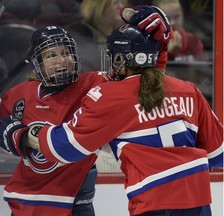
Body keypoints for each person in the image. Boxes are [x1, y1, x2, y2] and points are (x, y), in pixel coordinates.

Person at [28, 7, 223, 216]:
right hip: (199, 204)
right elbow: (218, 153)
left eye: (113, 55)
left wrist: (29, 134)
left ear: (121, 59)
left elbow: (66, 147)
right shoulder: (188, 90)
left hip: (153, 204)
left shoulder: (110, 96)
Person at [0, 25, 109, 216]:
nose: (61, 61)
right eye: (51, 56)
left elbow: (132, 86)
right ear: (37, 63)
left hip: (74, 206)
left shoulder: (94, 86)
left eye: (66, 52)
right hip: (27, 204)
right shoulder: (21, 94)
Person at [66, 0, 128, 72]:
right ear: (98, 6)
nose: (121, 7)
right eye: (115, 3)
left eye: (122, 3)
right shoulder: (77, 33)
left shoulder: (124, 34)